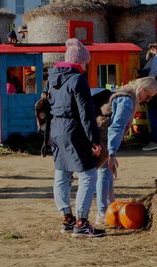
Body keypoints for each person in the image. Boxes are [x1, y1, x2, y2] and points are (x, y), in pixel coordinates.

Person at [46, 38, 104, 237]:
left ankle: (67, 219)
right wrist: (95, 141)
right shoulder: (78, 80)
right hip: (74, 130)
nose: (87, 66)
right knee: (88, 174)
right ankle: (82, 222)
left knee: (61, 175)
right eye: (86, 62)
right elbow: (86, 114)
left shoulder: (52, 78)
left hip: (55, 129)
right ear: (79, 61)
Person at [94, 77, 157, 224]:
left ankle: (109, 206)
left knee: (106, 172)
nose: (147, 100)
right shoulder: (127, 101)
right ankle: (103, 212)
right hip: (105, 138)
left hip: (102, 135)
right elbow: (116, 127)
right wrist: (111, 153)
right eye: (148, 96)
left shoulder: (123, 92)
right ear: (142, 89)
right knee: (104, 173)